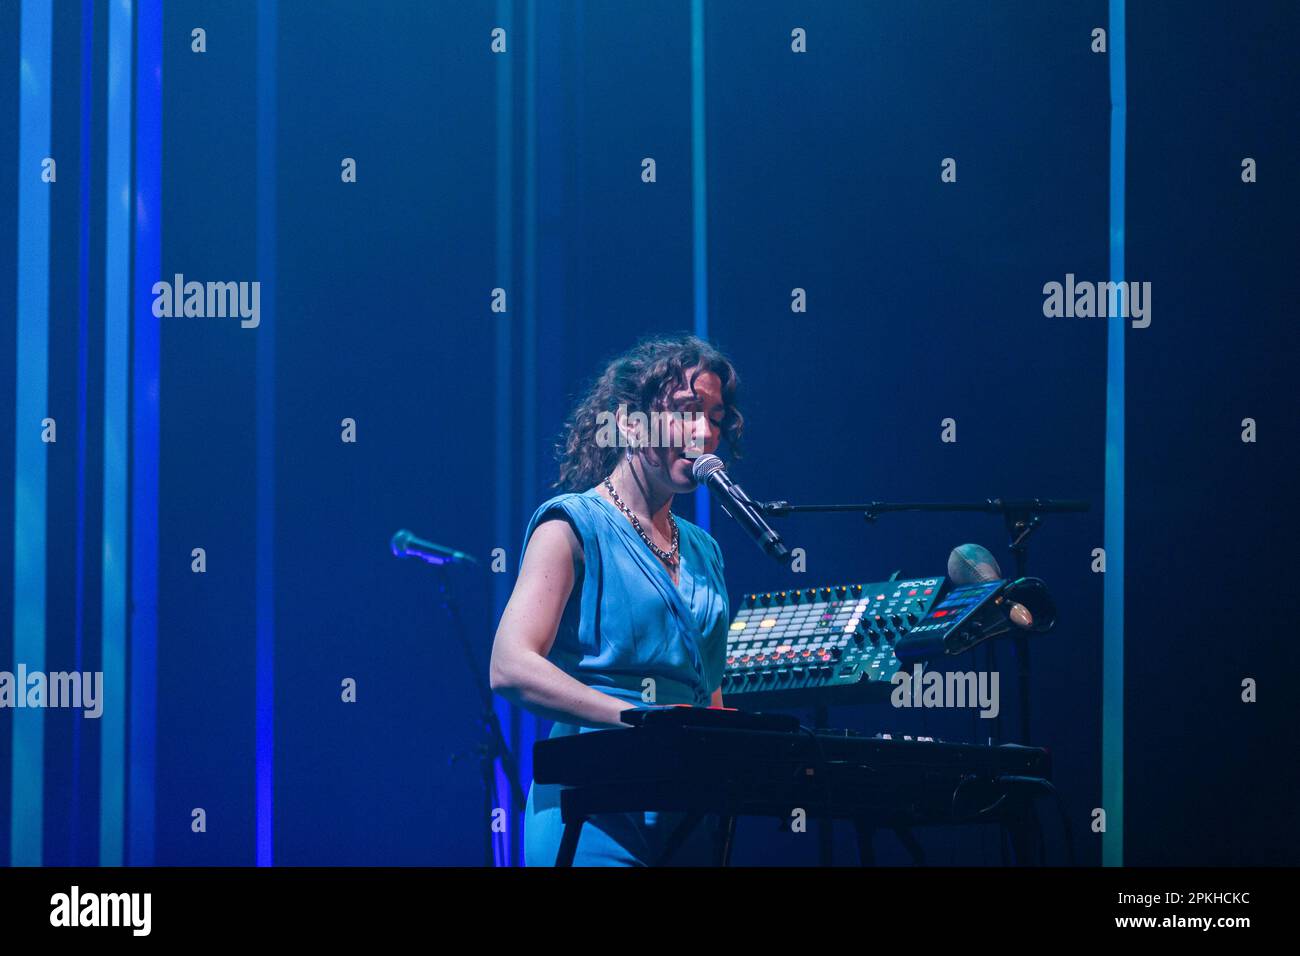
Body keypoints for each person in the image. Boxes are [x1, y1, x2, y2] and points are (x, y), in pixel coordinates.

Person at [489, 333, 743, 866]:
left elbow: (708, 690)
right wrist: (639, 717)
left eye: (715, 417)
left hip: (686, 803)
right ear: (629, 423)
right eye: (686, 411)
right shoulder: (572, 525)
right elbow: (510, 667)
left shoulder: (705, 550)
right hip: (592, 800)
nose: (705, 432)